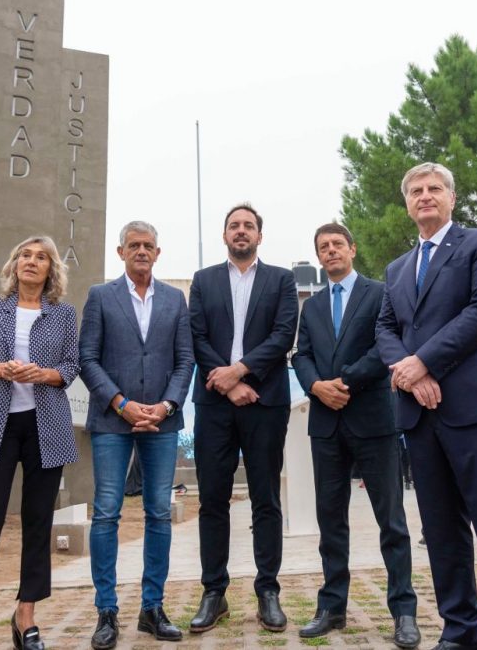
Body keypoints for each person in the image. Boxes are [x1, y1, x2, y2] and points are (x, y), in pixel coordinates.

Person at [375, 162, 477, 650]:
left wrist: (423, 362)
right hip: (422, 416)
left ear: (451, 198)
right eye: (416, 190)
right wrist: (408, 370)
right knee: (441, 531)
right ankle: (460, 630)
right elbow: (385, 327)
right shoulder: (397, 268)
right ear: (406, 203)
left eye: (434, 188)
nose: (425, 196)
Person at [291, 223, 420, 648]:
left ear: (352, 249)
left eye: (336, 245)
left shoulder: (379, 292)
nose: (330, 252)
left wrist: (342, 382)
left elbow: (387, 344)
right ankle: (332, 606)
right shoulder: (310, 307)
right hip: (325, 425)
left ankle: (403, 611)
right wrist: (315, 387)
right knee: (331, 520)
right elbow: (302, 355)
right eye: (323, 247)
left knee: (392, 521)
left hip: (371, 418)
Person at [0, 236, 79, 650]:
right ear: (14, 264)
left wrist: (43, 374)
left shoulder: (63, 315)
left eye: (42, 257)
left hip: (47, 425)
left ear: (51, 270)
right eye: (26, 255)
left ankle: (25, 614)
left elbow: (71, 366)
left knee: (39, 517)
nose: (32, 261)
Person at [79, 221, 195, 648]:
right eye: (134, 245)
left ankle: (152, 608)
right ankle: (106, 612)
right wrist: (122, 405)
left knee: (158, 514)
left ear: (157, 253)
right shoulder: (100, 297)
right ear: (121, 251)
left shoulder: (174, 299)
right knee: (107, 511)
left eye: (148, 246)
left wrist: (165, 406)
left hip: (161, 423)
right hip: (113, 421)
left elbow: (185, 361)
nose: (141, 251)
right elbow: (86, 359)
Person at [187, 204, 298, 633]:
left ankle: (268, 590)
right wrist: (229, 381)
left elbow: (283, 334)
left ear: (259, 236)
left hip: (265, 402)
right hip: (216, 404)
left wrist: (243, 369)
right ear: (224, 235)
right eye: (234, 225)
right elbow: (195, 335)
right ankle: (214, 592)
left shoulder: (281, 280)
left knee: (265, 498)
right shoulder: (204, 281)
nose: (241, 231)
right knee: (212, 499)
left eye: (248, 225)